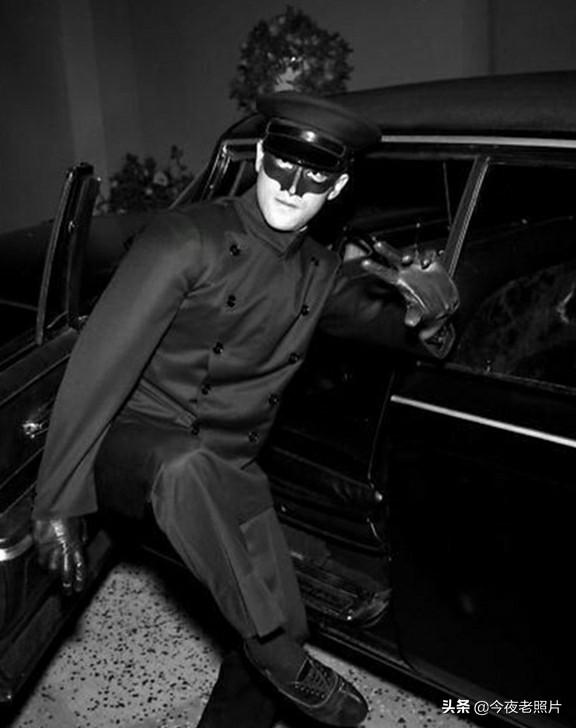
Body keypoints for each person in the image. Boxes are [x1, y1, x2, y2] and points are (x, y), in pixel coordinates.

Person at [32, 91, 458, 727]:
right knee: (188, 477)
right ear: (260, 157)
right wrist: (56, 502)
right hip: (136, 448)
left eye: (315, 176)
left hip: (229, 465)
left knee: (284, 618)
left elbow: (388, 326)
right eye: (283, 163)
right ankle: (276, 653)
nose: (292, 186)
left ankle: (256, 683)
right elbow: (99, 366)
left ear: (337, 187)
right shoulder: (185, 239)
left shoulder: (318, 270)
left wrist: (432, 316)